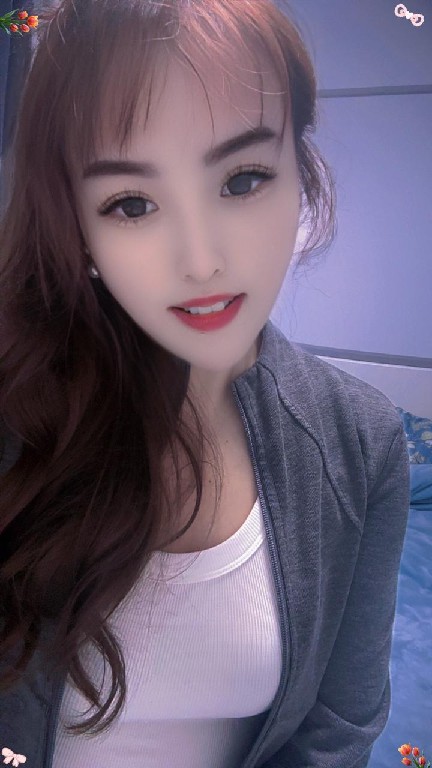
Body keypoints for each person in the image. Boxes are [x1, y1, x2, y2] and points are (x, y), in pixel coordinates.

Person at [0, 1, 410, 767]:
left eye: (243, 179)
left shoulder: (362, 443)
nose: (200, 260)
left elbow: (337, 731)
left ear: (301, 177)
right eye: (132, 203)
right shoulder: (15, 415)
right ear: (77, 229)